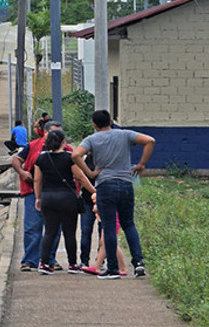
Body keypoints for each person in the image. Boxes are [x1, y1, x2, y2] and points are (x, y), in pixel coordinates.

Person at [72, 109, 154, 279]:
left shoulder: (91, 139)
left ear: (94, 125)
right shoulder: (124, 135)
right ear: (110, 121)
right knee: (129, 224)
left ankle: (112, 269)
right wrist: (142, 164)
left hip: (105, 185)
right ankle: (138, 263)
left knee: (108, 227)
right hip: (125, 184)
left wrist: (90, 172)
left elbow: (76, 154)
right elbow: (150, 140)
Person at [33, 129, 96, 275]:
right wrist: (94, 191)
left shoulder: (41, 158)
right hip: (67, 198)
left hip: (48, 198)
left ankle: (43, 264)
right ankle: (72, 265)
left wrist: (38, 197)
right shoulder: (69, 158)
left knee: (49, 232)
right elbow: (80, 177)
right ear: (63, 142)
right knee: (69, 232)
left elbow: (37, 180)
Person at [11, 120, 66, 271]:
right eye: (54, 132)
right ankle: (29, 260)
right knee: (33, 227)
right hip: (33, 192)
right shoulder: (33, 146)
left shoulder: (65, 149)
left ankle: (49, 259)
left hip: (56, 193)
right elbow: (16, 160)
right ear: (46, 133)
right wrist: (22, 172)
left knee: (54, 228)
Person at [82, 192, 128, 276]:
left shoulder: (103, 203)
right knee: (105, 243)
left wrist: (96, 208)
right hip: (108, 222)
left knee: (108, 243)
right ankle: (99, 266)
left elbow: (97, 210)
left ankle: (99, 266)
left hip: (111, 223)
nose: (94, 202)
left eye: (95, 200)